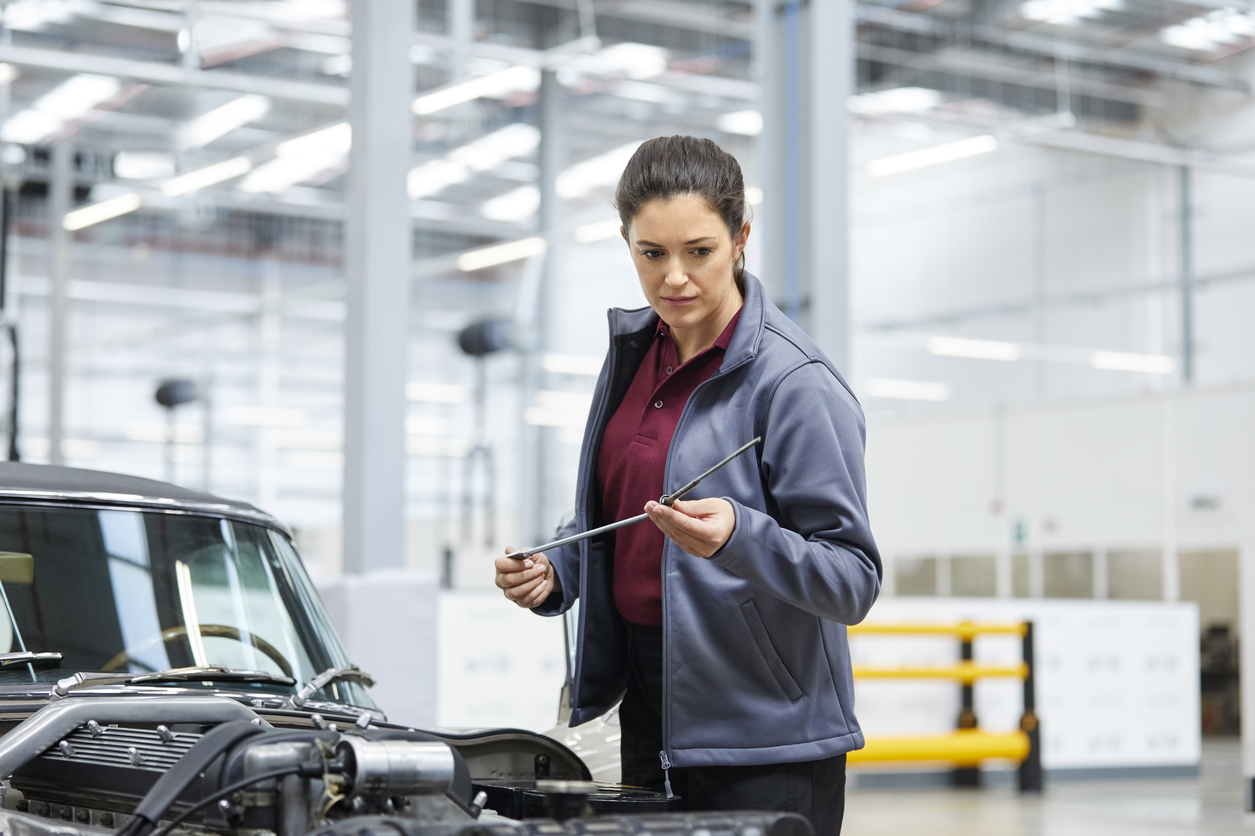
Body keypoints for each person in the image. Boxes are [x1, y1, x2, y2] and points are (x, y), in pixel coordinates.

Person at [494, 135, 880, 834]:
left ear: (740, 240)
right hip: (649, 708)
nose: (673, 277)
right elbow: (619, 515)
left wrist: (740, 536)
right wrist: (557, 566)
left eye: (697, 251)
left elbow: (851, 579)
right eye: (651, 254)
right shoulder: (633, 356)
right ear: (625, 242)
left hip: (767, 734)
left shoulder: (796, 385)